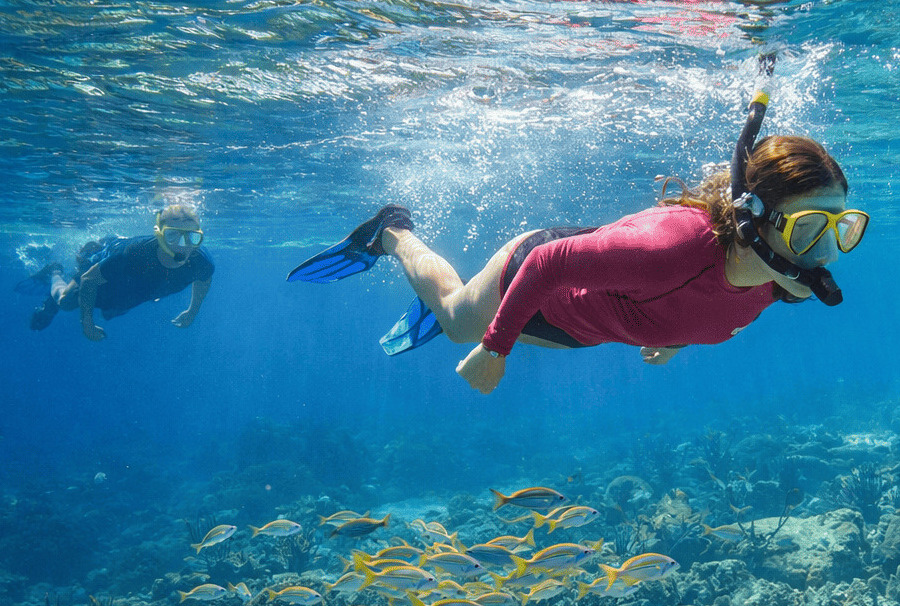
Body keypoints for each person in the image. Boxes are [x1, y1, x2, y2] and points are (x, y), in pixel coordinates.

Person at [288, 95, 868, 395]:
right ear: (755, 220)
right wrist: (495, 349)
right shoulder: (668, 249)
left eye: (840, 228)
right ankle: (392, 232)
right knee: (458, 321)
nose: (827, 255)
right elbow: (548, 262)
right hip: (542, 275)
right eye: (809, 228)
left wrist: (678, 339)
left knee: (491, 325)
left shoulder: (777, 283)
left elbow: (712, 301)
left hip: (587, 322)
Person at [23, 204, 214, 341]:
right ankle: (54, 272)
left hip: (132, 287)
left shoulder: (201, 262)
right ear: (159, 235)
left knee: (116, 308)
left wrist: (192, 311)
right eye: (173, 236)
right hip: (106, 266)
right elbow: (89, 279)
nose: (184, 246)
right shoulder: (131, 255)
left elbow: (204, 280)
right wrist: (87, 323)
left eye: (193, 237)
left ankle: (111, 306)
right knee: (65, 302)